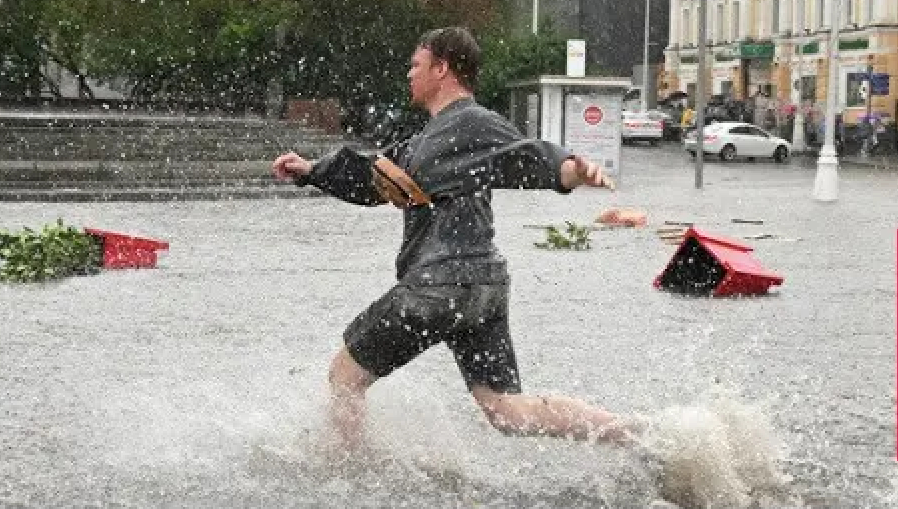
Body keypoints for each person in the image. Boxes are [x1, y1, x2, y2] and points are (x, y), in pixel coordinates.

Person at [272, 26, 642, 452]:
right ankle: (637, 433)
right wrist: (311, 170)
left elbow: (527, 153)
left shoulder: (471, 121)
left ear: (441, 68)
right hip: (481, 291)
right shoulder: (426, 140)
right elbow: (373, 175)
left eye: (416, 65)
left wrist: (571, 171)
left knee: (344, 376)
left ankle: (349, 476)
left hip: (438, 286)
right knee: (506, 410)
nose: (409, 74)